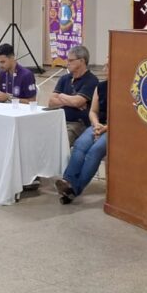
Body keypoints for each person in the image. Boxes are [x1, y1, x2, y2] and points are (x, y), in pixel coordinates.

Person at [54, 71, 108, 205]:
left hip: (114, 128)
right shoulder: (101, 87)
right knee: (80, 145)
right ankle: (67, 181)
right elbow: (93, 111)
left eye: (108, 65)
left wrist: (105, 128)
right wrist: (96, 124)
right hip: (98, 125)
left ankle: (74, 189)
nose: (105, 68)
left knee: (95, 151)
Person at [46, 45, 99, 145]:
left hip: (78, 123)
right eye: (67, 60)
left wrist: (61, 96)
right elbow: (51, 102)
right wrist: (71, 101)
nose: (67, 63)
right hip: (59, 119)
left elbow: (77, 102)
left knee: (61, 141)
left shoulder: (91, 80)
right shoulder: (64, 78)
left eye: (71, 60)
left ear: (82, 61)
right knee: (41, 134)